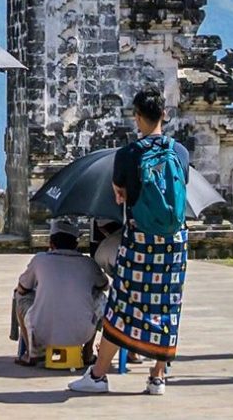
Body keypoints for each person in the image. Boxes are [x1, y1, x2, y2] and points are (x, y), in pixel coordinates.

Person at [69, 87, 190, 396]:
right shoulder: (180, 152)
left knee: (122, 304)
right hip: (174, 243)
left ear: (138, 117)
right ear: (164, 114)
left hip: (141, 240)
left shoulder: (128, 155)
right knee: (168, 305)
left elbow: (119, 194)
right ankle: (158, 377)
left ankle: (97, 375)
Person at [14, 220, 107, 366]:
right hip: (82, 334)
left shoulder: (40, 260)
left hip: (42, 334)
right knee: (102, 298)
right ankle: (87, 352)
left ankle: (33, 352)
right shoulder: (88, 263)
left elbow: (22, 288)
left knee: (19, 297)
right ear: (76, 245)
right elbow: (104, 285)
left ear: (51, 244)